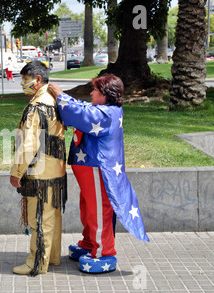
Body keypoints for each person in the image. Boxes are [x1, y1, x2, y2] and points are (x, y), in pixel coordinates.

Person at [48, 74, 149, 274]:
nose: (91, 93)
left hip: (98, 168)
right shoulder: (103, 110)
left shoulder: (107, 113)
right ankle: (89, 242)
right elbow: (84, 109)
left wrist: (60, 95)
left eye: (95, 90)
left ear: (105, 94)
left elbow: (81, 113)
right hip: (89, 169)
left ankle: (103, 252)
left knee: (99, 211)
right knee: (88, 209)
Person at [10, 61, 67, 276]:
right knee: (51, 217)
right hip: (56, 171)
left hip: (39, 173)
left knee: (38, 219)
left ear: (38, 79)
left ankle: (36, 263)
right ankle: (51, 257)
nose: (23, 83)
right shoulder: (54, 99)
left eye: (25, 79)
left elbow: (29, 144)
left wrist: (17, 173)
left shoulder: (36, 107)